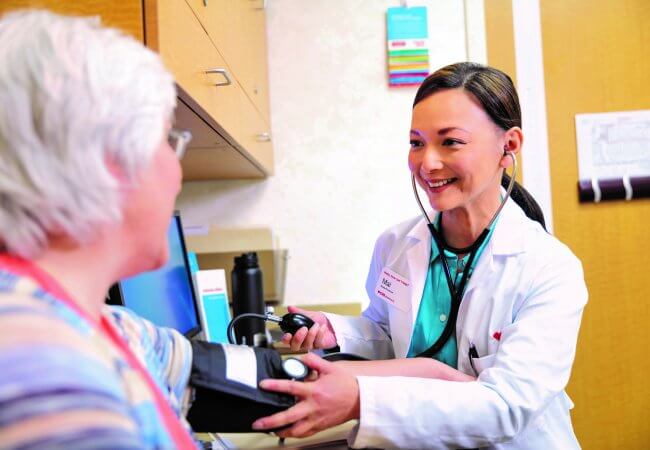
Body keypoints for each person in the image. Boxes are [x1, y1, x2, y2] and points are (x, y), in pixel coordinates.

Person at [252, 62, 588, 449]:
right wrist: (336, 331)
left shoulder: (549, 268)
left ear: (508, 146)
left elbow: (504, 405)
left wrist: (362, 398)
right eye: (416, 143)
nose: (426, 163)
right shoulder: (395, 245)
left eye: (451, 142)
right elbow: (389, 335)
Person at [0, 10, 199, 448]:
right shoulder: (45, 374)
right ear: (108, 159)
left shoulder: (101, 321)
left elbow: (198, 366)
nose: (177, 172)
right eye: (168, 140)